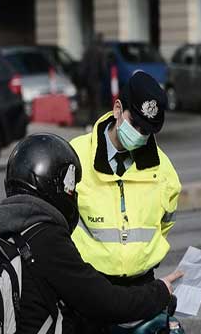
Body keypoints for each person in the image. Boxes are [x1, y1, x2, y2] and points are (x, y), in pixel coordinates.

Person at [0, 133, 182, 334]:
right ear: (55, 185)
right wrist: (159, 291)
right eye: (71, 187)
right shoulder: (45, 238)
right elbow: (105, 302)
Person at [69, 71, 182, 332]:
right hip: (88, 288)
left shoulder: (163, 170)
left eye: (147, 130)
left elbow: (164, 225)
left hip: (141, 287)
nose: (140, 135)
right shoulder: (75, 156)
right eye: (136, 124)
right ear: (118, 109)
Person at [78, 32, 108, 129]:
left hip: (88, 80)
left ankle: (89, 121)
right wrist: (104, 77)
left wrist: (82, 80)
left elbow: (83, 66)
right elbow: (103, 67)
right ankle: (95, 122)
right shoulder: (100, 51)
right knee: (96, 102)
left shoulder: (88, 50)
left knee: (90, 101)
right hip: (96, 79)